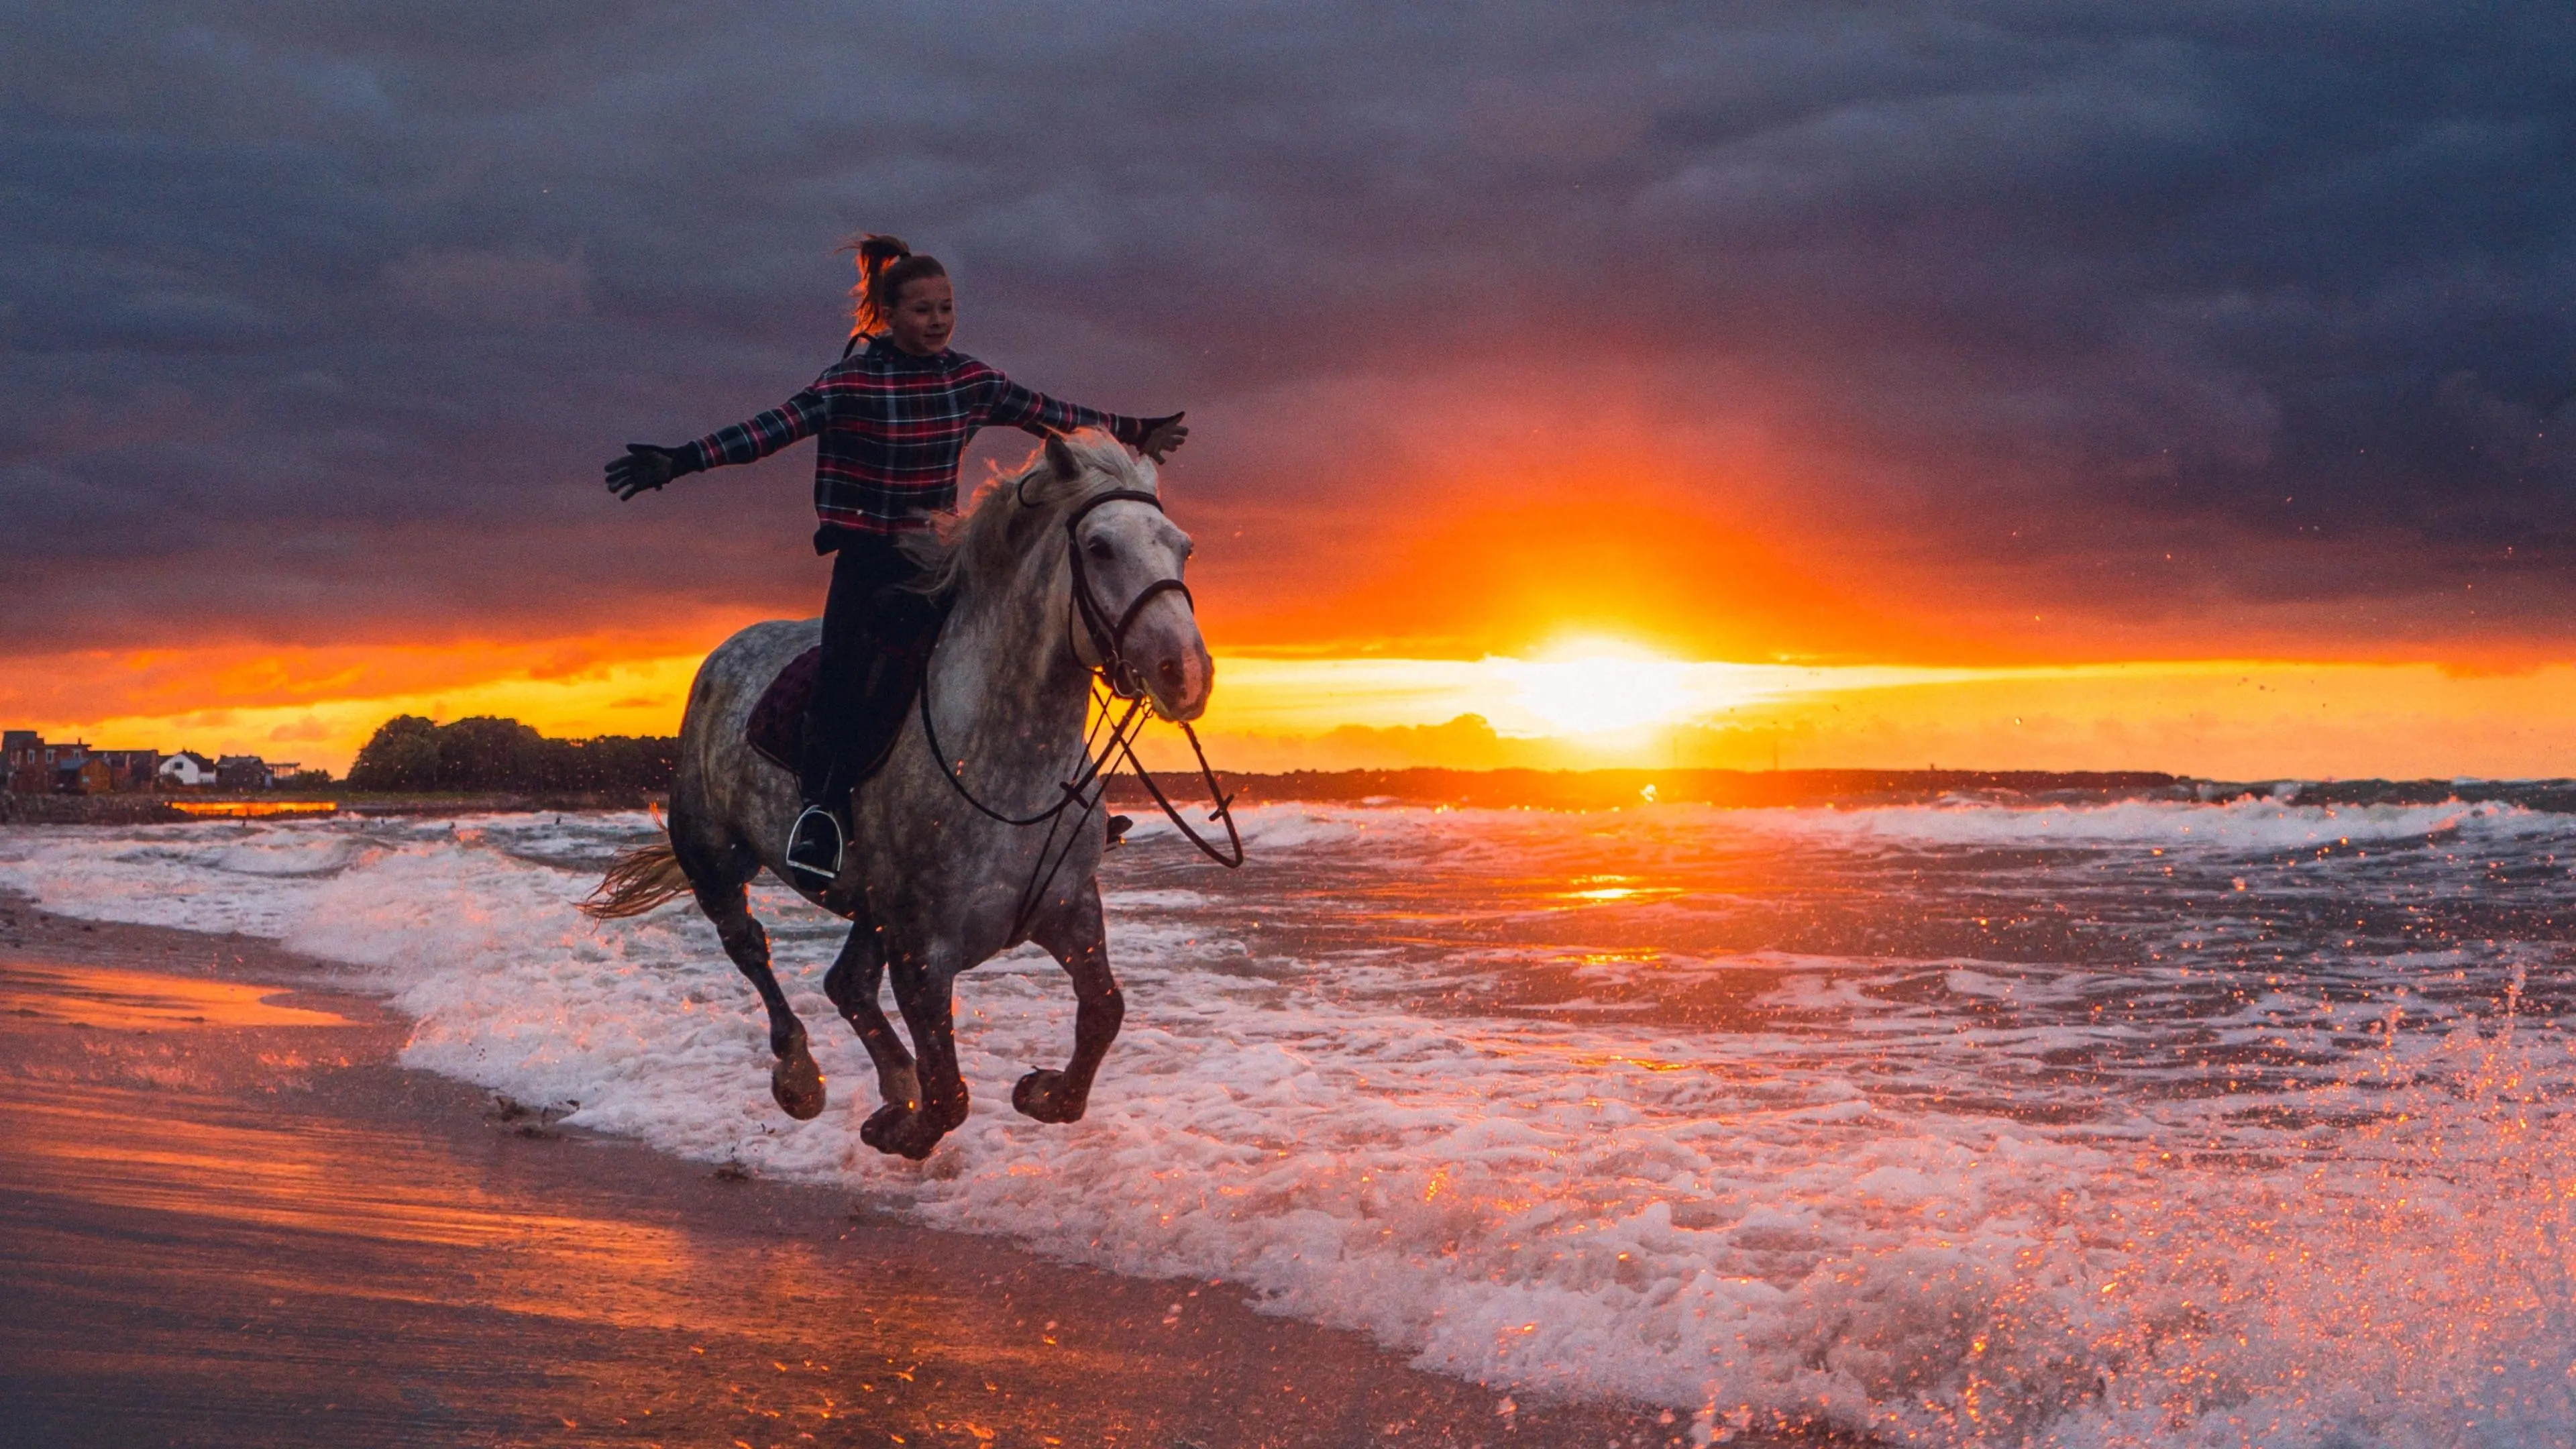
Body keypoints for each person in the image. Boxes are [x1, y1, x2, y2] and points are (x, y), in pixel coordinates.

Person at [606, 235, 1187, 882]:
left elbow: (1055, 416)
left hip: (942, 562)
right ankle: (822, 815)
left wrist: (1136, 430)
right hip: (868, 561)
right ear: (888, 314)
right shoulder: (850, 382)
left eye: (946, 308)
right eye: (922, 311)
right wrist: (681, 460)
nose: (938, 322)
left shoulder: (970, 380)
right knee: (848, 683)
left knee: (1021, 661)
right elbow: (768, 431)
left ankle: (1059, 808)